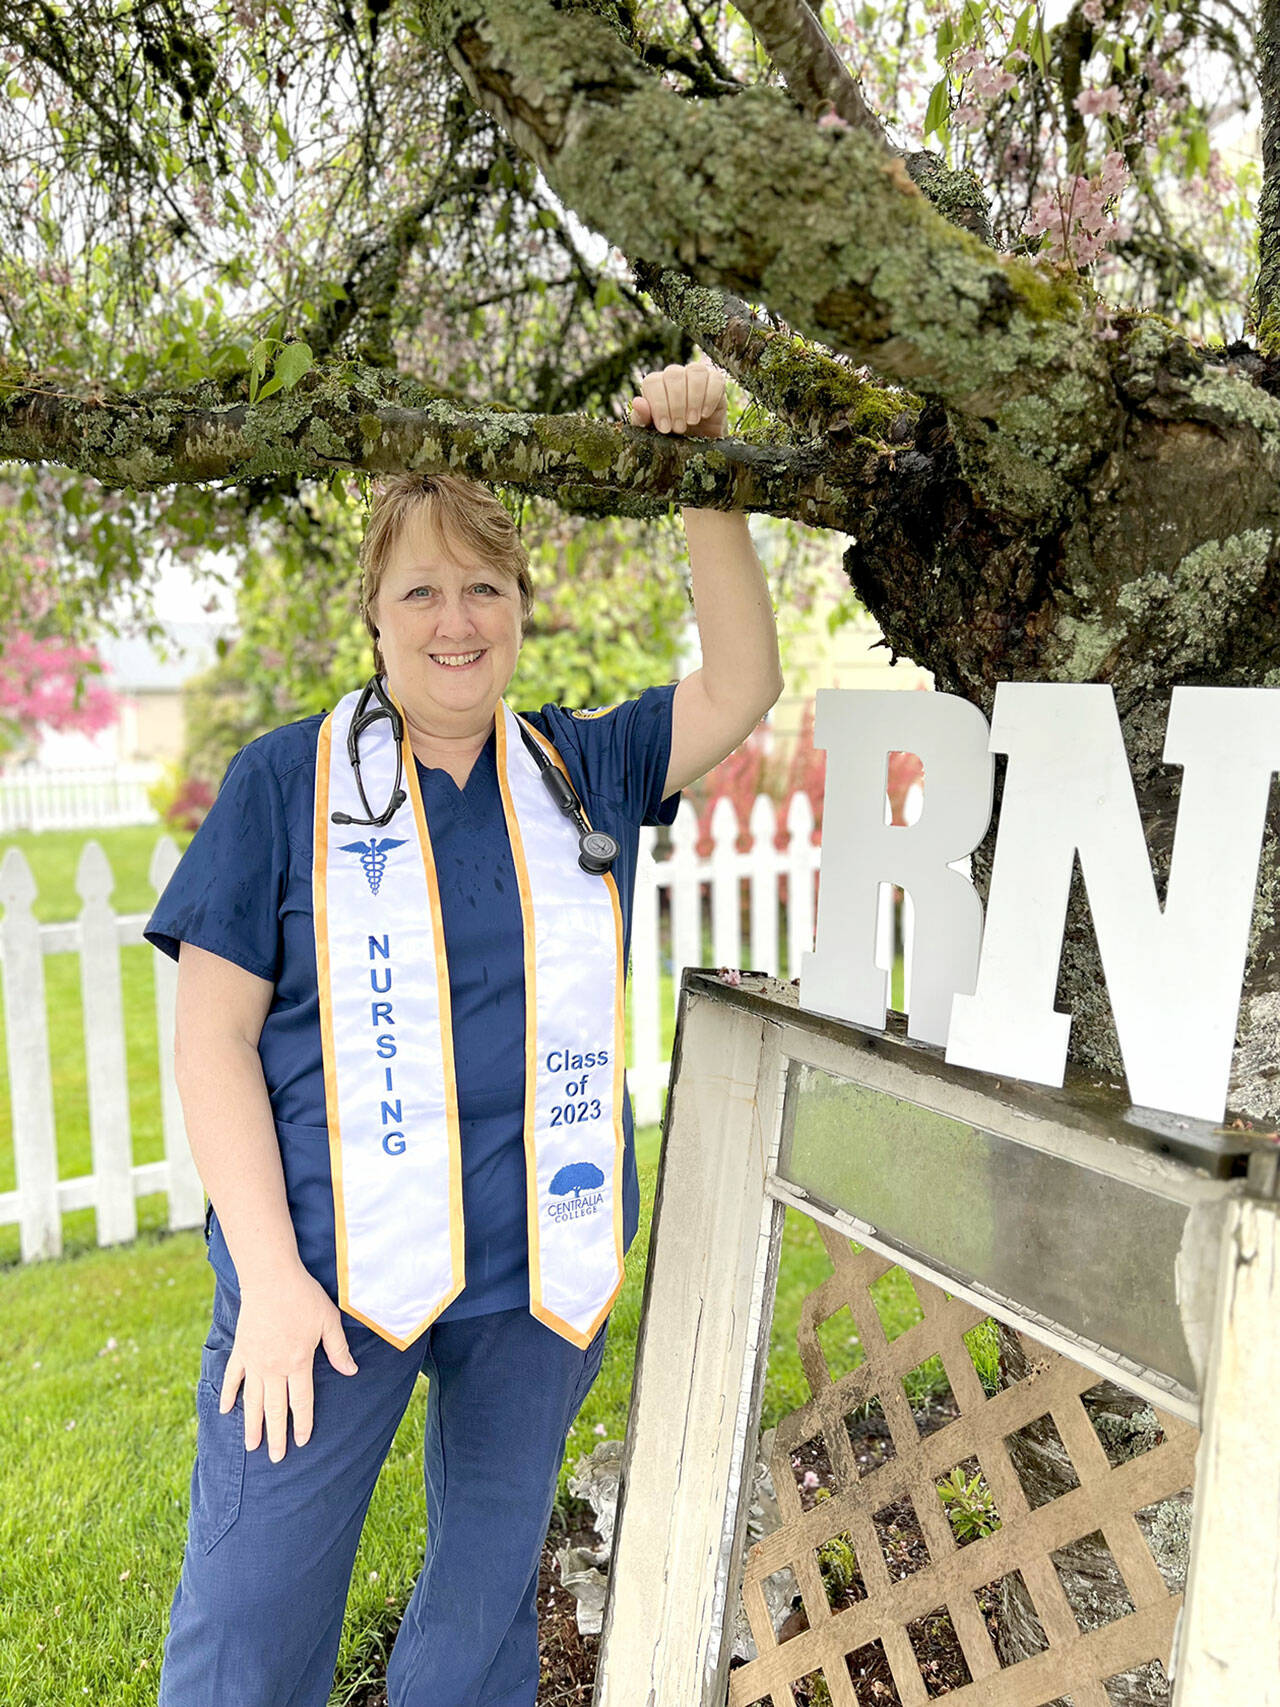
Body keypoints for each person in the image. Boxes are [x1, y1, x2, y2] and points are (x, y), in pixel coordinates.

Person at [144, 357, 783, 1707]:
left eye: (484, 587)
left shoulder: (578, 770)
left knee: (484, 1620)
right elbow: (209, 1045)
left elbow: (740, 683)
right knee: (252, 1616)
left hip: (531, 1279)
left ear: (519, 611)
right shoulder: (284, 785)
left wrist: (710, 466)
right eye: (420, 589)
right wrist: (267, 1276)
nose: (455, 618)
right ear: (372, 615)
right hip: (322, 1280)